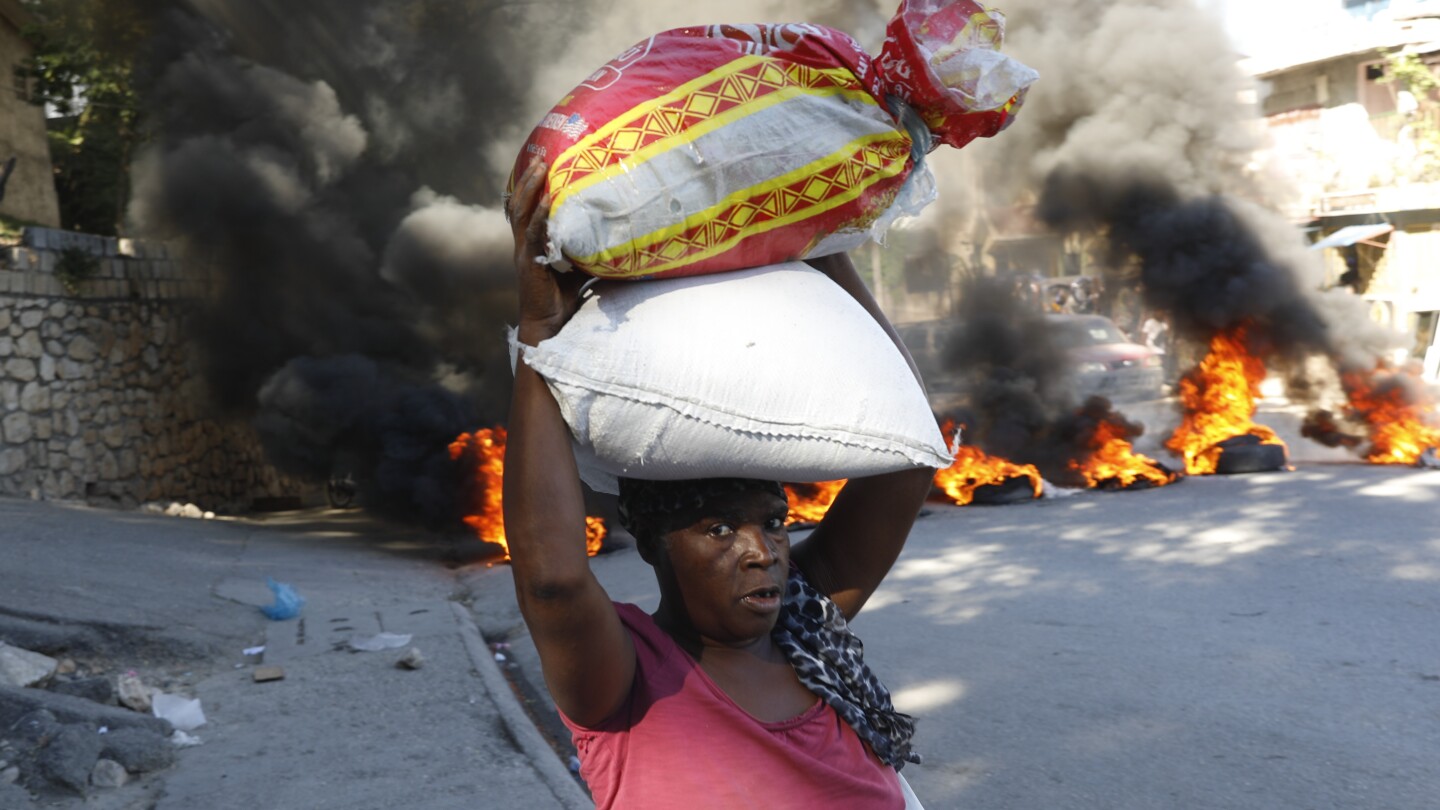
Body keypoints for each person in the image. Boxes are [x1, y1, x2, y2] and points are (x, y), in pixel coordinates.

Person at [503, 159, 937, 809]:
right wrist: (540, 337)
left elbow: (909, 443)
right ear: (651, 542)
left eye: (773, 521)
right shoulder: (625, 679)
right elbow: (554, 579)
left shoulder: (804, 625)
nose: (762, 551)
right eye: (719, 529)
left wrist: (823, 239)